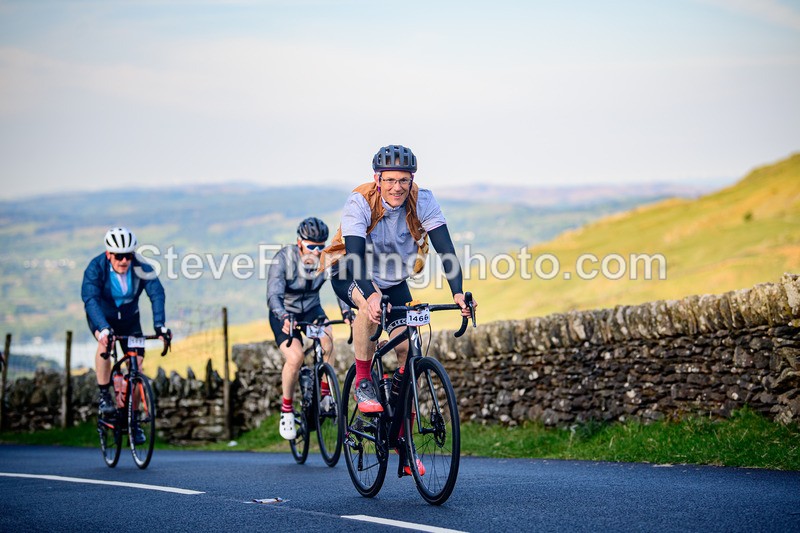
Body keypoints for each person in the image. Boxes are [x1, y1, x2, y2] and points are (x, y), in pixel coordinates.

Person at [322, 144, 476, 474]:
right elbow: (356, 258)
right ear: (377, 179)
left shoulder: (423, 200)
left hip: (394, 280)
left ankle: (402, 445)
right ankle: (363, 380)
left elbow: (445, 249)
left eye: (404, 180)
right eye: (389, 180)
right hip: (350, 270)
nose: (397, 187)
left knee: (407, 348)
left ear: (412, 180)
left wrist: (459, 291)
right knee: (368, 307)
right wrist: (370, 295)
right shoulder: (360, 201)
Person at [267, 217, 353, 440]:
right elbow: (273, 295)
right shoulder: (283, 259)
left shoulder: (329, 257)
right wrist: (283, 316)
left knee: (328, 341)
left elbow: (340, 286)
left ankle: (324, 394)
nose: (316, 251)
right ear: (299, 243)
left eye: (320, 246)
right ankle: (286, 410)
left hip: (312, 308)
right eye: (311, 246)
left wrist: (346, 311)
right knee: (295, 358)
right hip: (285, 311)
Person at [81, 227, 169, 444]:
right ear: (108, 254)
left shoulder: (141, 267)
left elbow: (157, 293)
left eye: (128, 255)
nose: (123, 261)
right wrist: (102, 328)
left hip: (130, 321)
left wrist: (160, 326)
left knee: (136, 366)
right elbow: (90, 300)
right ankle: (104, 395)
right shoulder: (96, 268)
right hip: (104, 318)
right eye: (118, 256)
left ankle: (133, 420)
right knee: (105, 347)